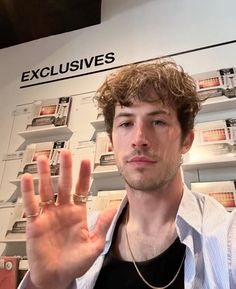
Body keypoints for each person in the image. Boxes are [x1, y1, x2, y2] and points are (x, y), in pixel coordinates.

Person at [18, 60, 236, 289]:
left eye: (158, 121)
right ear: (112, 141)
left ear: (186, 141)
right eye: (126, 123)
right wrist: (49, 285)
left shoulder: (226, 238)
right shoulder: (81, 238)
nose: (139, 138)